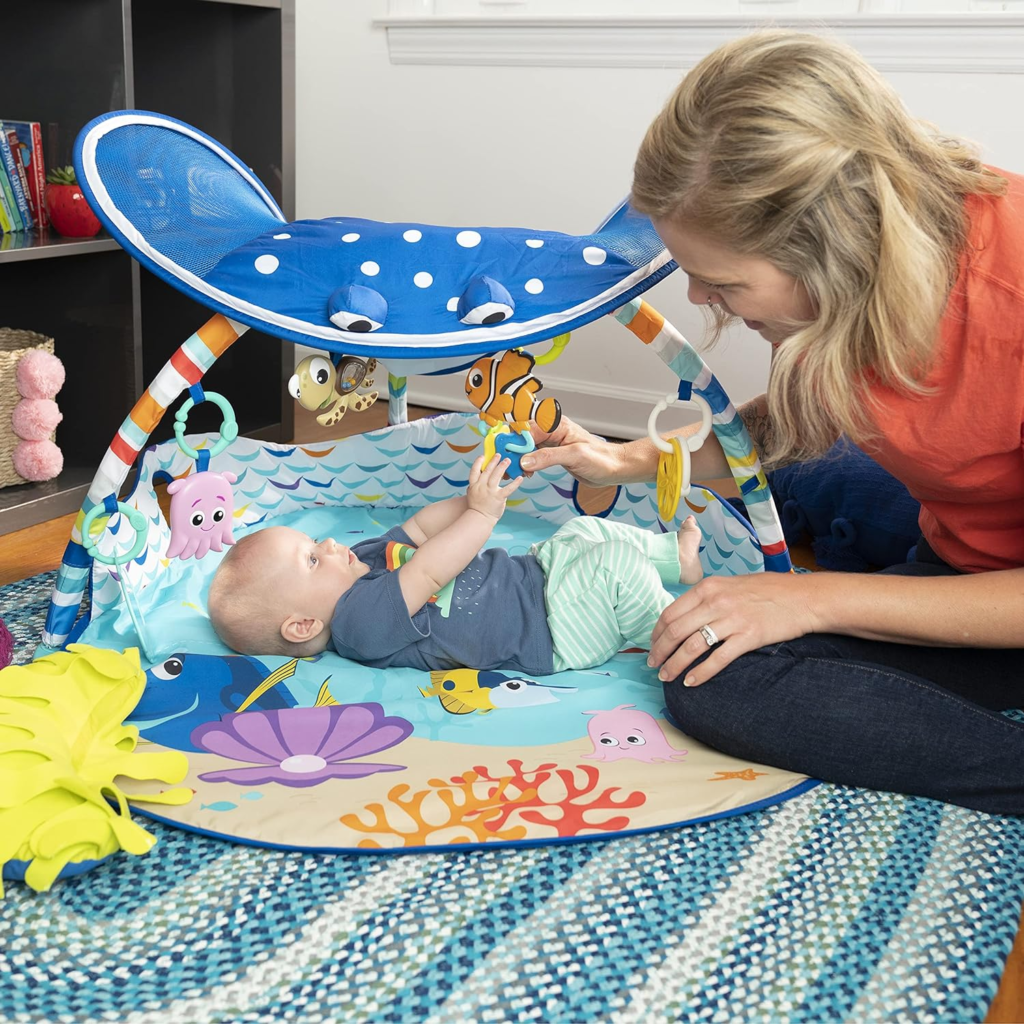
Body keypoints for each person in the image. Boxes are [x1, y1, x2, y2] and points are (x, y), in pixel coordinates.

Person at [518, 30, 1024, 815]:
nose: (699, 300)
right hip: (970, 520)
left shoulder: (1009, 304)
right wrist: (631, 461)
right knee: (809, 479)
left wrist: (817, 600)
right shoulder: (876, 271)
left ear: (832, 249)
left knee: (721, 678)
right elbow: (796, 426)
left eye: (721, 281)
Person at [208, 454, 705, 674]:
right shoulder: (358, 625)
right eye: (313, 558)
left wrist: (474, 496)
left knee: (582, 532)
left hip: (537, 576)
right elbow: (427, 569)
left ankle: (672, 558)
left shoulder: (359, 562)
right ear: (303, 624)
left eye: (317, 540)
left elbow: (422, 531)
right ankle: (684, 637)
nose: (332, 544)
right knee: (613, 566)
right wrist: (484, 515)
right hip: (553, 630)